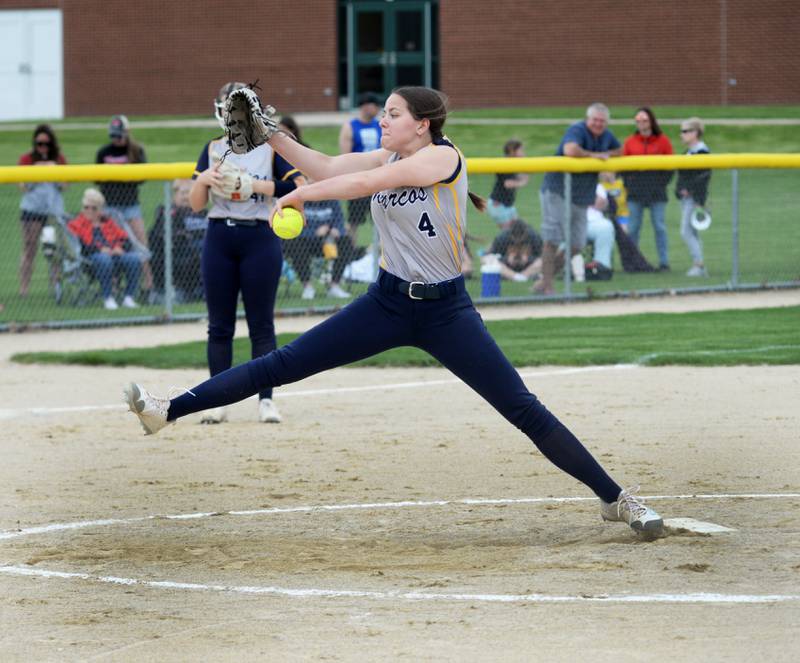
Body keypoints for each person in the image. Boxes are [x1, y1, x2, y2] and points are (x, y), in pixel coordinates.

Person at [124, 86, 664, 535]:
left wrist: (298, 198)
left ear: (423, 124)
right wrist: (272, 135)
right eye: (382, 112)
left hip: (446, 311)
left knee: (523, 408)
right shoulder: (390, 154)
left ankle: (616, 498)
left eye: (393, 114)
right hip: (386, 301)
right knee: (281, 364)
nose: (382, 120)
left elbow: (360, 183)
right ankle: (166, 410)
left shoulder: (442, 158)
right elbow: (327, 163)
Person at [187, 81, 304, 426]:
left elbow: (298, 188)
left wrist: (255, 186)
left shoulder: (269, 148)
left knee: (261, 325)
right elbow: (196, 205)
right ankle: (216, 401)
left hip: (259, 237)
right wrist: (204, 180)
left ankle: (266, 401)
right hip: (221, 236)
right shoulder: (213, 148)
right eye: (228, 107)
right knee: (219, 326)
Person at [537, 103, 621, 295]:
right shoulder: (577, 129)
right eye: (595, 120)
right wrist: (596, 157)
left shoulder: (606, 136)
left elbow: (619, 150)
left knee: (577, 245)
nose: (598, 124)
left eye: (602, 121)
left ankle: (543, 280)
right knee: (553, 239)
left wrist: (605, 162)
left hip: (581, 197)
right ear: (587, 119)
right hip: (557, 190)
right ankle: (548, 286)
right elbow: (570, 150)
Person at [279, 115, 360, 300]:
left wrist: (332, 230)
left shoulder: (329, 195)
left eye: (316, 176)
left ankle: (334, 285)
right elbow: (296, 226)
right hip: (306, 240)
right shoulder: (299, 197)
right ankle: (308, 286)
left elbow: (340, 222)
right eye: (309, 177)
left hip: (327, 239)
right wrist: (316, 230)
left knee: (346, 241)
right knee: (293, 243)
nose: (314, 180)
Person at [96, 115, 153, 292]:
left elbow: (142, 177)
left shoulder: (136, 151)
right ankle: (113, 284)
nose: (116, 140)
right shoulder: (104, 152)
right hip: (110, 206)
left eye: (119, 136)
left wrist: (119, 176)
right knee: (112, 244)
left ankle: (148, 282)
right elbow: (97, 178)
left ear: (127, 133)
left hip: (130, 205)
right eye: (113, 136)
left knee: (140, 242)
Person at [67, 188, 141, 310]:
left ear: (100, 210)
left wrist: (119, 247)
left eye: (94, 208)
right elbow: (80, 246)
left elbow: (126, 240)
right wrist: (100, 250)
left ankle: (129, 298)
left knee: (133, 258)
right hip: (91, 259)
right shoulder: (76, 224)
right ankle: (108, 298)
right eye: (86, 207)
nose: (89, 211)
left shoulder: (109, 222)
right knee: (104, 259)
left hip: (115, 255)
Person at [16, 124, 67, 297]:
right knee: (29, 248)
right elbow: (23, 187)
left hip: (53, 211)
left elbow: (65, 186)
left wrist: (54, 170)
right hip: (32, 211)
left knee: (55, 249)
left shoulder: (59, 160)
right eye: (39, 144)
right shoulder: (26, 160)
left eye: (46, 144)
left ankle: (56, 287)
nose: (43, 147)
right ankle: (24, 288)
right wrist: (37, 171)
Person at [622, 107, 674, 271]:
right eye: (638, 121)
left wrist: (661, 183)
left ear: (651, 121)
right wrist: (629, 183)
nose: (641, 124)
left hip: (656, 191)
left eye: (644, 120)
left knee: (659, 226)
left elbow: (671, 165)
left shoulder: (662, 140)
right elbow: (623, 166)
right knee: (633, 228)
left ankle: (664, 261)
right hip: (636, 191)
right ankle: (632, 262)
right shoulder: (630, 141)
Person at [149, 179, 208, 302]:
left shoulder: (203, 212)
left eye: (190, 192)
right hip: (181, 251)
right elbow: (164, 234)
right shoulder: (169, 212)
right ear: (175, 194)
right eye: (183, 192)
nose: (186, 196)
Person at [338, 92, 382, 241]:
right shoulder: (351, 126)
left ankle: (380, 253)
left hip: (378, 179)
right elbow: (345, 155)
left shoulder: (380, 125)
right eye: (375, 106)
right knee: (354, 221)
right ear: (365, 106)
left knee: (381, 219)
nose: (377, 110)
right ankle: (352, 251)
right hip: (359, 177)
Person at [676, 117, 712, 277]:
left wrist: (692, 192)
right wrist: (680, 190)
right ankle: (699, 265)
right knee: (692, 232)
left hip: (695, 199)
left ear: (695, 133)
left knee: (686, 231)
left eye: (685, 131)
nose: (682, 135)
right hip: (686, 199)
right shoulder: (688, 153)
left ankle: (699, 265)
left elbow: (703, 176)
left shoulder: (702, 151)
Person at [487, 140, 529, 229]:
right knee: (508, 234)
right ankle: (497, 243)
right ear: (512, 152)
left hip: (508, 206)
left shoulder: (512, 164)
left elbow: (517, 176)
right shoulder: (505, 164)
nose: (523, 153)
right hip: (498, 205)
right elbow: (508, 184)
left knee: (519, 229)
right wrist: (522, 182)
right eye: (520, 151)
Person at [585, 183, 615, 277]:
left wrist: (580, 198)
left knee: (606, 227)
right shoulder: (564, 182)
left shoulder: (597, 186)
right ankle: (567, 268)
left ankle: (602, 269)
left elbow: (601, 203)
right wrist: (590, 198)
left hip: (595, 223)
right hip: (572, 222)